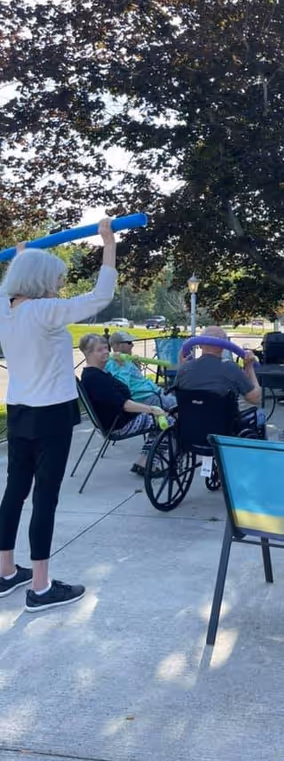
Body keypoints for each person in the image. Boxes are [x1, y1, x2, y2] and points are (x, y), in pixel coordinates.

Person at [0, 220, 117, 612]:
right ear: (41, 282)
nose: (58, 287)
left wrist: (21, 258)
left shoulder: (5, 309)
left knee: (14, 491)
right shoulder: (46, 311)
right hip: (50, 414)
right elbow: (102, 294)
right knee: (45, 497)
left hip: (19, 410)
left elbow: (15, 283)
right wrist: (108, 242)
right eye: (55, 279)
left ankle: (5, 573)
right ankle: (41, 585)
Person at [79, 334, 169, 475]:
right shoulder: (95, 379)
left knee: (161, 418)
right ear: (88, 353)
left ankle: (143, 461)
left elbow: (122, 391)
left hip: (117, 421)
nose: (105, 352)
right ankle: (148, 464)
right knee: (170, 421)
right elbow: (124, 404)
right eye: (99, 350)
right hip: (120, 425)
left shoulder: (96, 373)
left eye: (105, 348)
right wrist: (152, 410)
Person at [175, 325, 263, 431]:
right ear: (223, 346)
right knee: (260, 414)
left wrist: (182, 365)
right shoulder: (231, 368)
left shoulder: (184, 368)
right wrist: (249, 368)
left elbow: (176, 393)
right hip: (224, 433)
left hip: (190, 431)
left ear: (200, 344)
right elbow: (255, 398)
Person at [105, 330, 177, 410]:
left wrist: (137, 366)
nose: (132, 345)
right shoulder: (114, 363)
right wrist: (122, 366)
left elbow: (136, 380)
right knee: (182, 407)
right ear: (116, 345)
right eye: (129, 343)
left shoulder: (127, 359)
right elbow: (122, 388)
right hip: (146, 397)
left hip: (154, 392)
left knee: (182, 403)